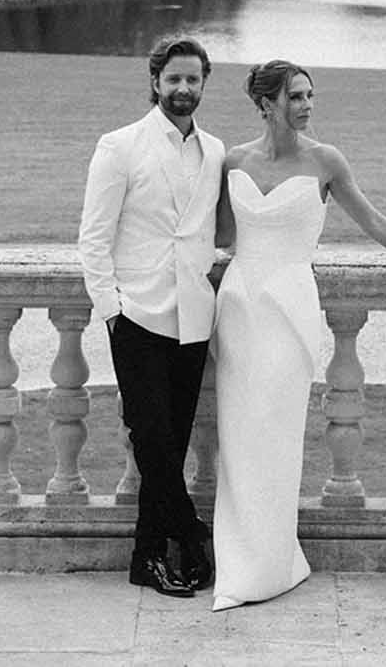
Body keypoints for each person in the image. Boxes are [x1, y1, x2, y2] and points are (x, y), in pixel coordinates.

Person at [210, 59, 386, 611]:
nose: (306, 105)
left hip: (289, 309)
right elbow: (221, 235)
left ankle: (272, 563)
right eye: (296, 97)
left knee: (276, 435)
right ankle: (238, 562)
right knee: (239, 437)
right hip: (238, 308)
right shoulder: (232, 160)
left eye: (309, 96)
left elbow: (374, 222)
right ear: (266, 105)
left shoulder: (326, 161)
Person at [77, 36, 226, 598]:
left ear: (203, 85)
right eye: (174, 79)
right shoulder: (119, 146)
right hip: (136, 314)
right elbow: (93, 239)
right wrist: (111, 311)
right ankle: (190, 535)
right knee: (152, 439)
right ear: (155, 82)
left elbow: (215, 231)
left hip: (194, 317)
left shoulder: (214, 151)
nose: (183, 89)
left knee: (171, 442)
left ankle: (147, 557)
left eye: (193, 80)